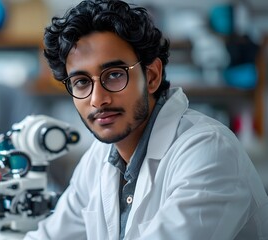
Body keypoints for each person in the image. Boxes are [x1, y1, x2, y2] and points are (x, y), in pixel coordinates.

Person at [24, 0, 268, 239]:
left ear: (152, 76)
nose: (98, 99)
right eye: (81, 82)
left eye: (115, 75)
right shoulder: (98, 160)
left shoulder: (208, 152)